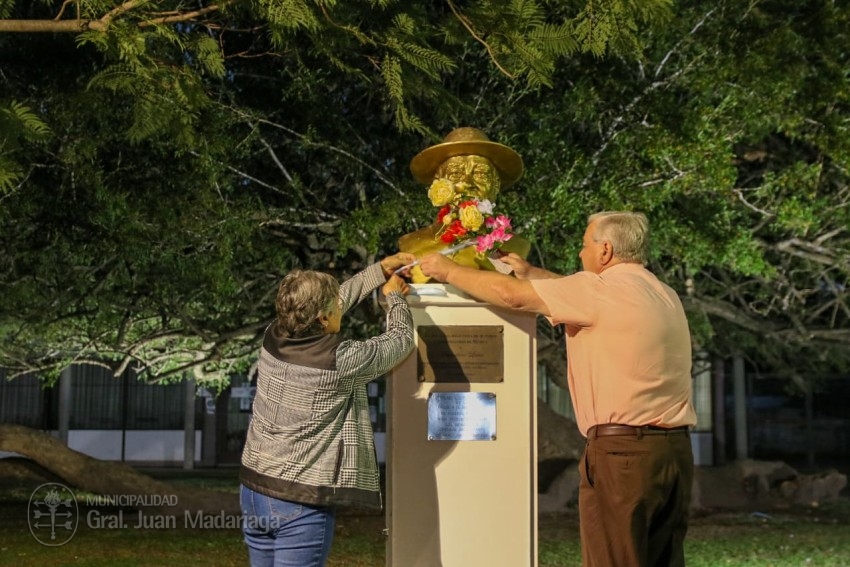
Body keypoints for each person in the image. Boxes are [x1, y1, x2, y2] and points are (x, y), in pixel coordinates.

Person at [419, 211, 697, 567]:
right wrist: (533, 274)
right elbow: (581, 296)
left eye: (584, 246)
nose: (580, 255)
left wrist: (448, 271)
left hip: (623, 457)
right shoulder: (663, 293)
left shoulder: (596, 290)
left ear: (606, 250)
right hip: (674, 453)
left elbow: (511, 296)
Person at [239, 253, 416, 567]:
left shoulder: (274, 335)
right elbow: (400, 341)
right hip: (300, 501)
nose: (341, 307)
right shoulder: (340, 360)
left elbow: (333, 300)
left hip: (254, 489)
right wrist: (395, 301)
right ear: (322, 318)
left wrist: (378, 271)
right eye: (334, 305)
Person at [398, 126, 531, 283]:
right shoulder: (412, 245)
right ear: (438, 184)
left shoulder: (516, 248)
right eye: (456, 173)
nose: (467, 183)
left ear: (495, 186)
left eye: (480, 174)